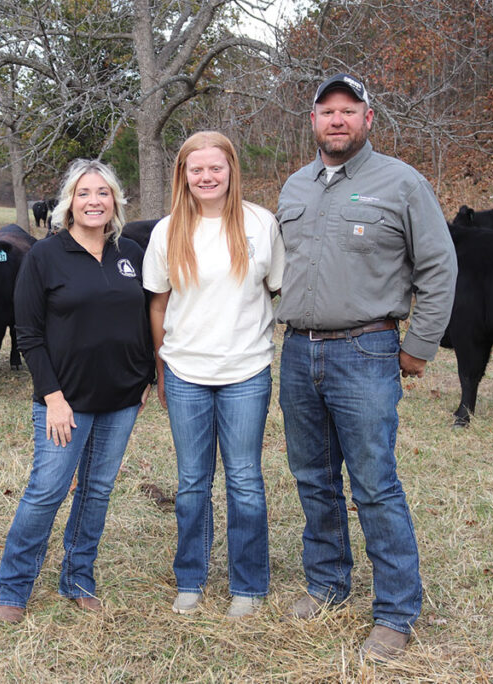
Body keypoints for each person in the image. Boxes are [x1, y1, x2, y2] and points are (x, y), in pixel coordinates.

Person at [276, 74, 458, 661]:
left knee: (375, 485)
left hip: (366, 351)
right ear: (312, 120)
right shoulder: (295, 186)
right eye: (326, 111)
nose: (336, 120)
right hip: (299, 352)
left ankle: (396, 611)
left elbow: (438, 267)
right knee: (313, 477)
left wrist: (418, 347)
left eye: (348, 111)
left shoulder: (401, 184)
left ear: (368, 119)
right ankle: (327, 585)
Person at [0, 159, 154, 622]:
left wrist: (143, 377)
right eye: (85, 193)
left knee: (98, 490)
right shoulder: (45, 257)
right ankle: (14, 586)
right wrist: (53, 398)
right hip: (65, 401)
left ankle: (78, 577)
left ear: (115, 202)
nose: (94, 202)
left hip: (121, 399)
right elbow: (28, 334)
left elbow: (145, 319)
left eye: (103, 193)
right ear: (69, 202)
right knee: (47, 490)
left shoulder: (130, 254)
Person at [143, 131, 284, 619]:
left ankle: (248, 585)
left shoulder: (260, 224)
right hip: (186, 372)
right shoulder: (167, 231)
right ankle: (191, 579)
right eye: (195, 169)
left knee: (244, 479)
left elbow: (277, 289)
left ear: (231, 170)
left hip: (246, 369)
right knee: (191, 482)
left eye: (215, 167)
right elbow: (158, 302)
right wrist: (162, 364)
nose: (206, 176)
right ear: (183, 174)